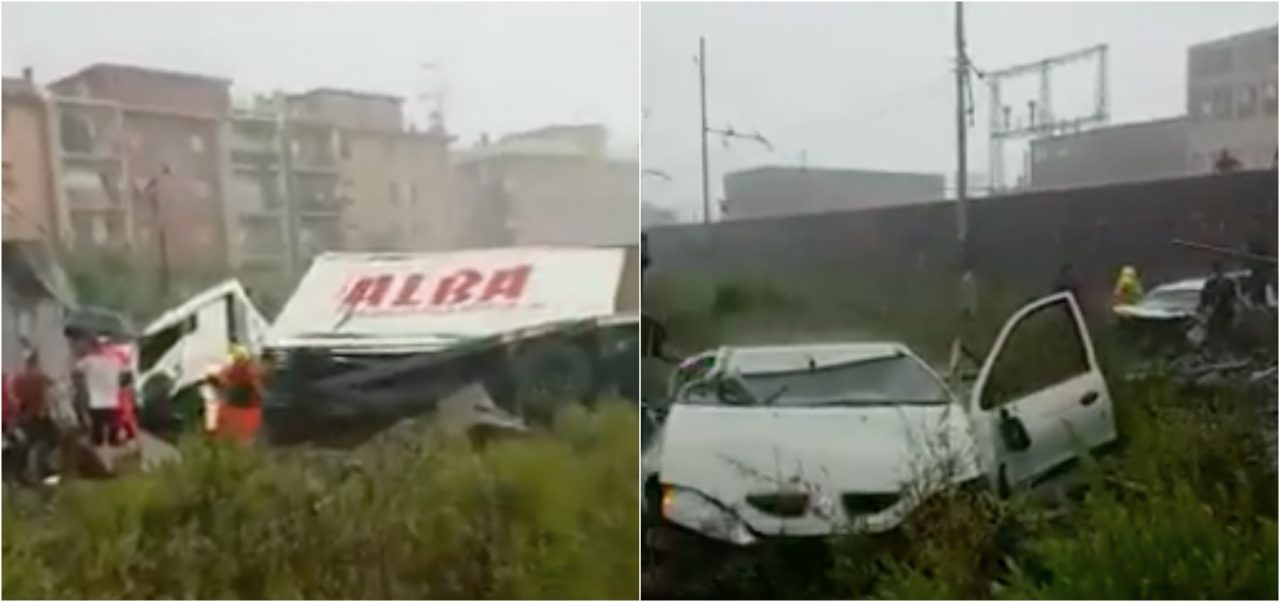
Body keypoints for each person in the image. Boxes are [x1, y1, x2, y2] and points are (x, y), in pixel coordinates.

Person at [71, 331, 123, 447]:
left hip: (95, 399)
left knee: (97, 425)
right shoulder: (115, 360)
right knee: (113, 424)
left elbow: (75, 371)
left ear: (94, 347)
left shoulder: (88, 360)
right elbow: (122, 375)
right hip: (112, 398)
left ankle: (98, 441)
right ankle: (113, 440)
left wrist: (81, 381)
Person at [209, 345, 263, 443]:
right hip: (243, 403)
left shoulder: (236, 369)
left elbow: (222, 380)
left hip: (240, 402)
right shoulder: (246, 369)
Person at [1198, 261, 1238, 352]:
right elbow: (1204, 297)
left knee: (1228, 328)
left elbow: (1235, 296)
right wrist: (1202, 307)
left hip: (1227, 309)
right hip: (1215, 310)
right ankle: (1212, 346)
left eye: (1220, 270)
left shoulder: (1229, 282)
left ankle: (1227, 345)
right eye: (1217, 270)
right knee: (1212, 327)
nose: (1219, 273)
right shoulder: (1210, 284)